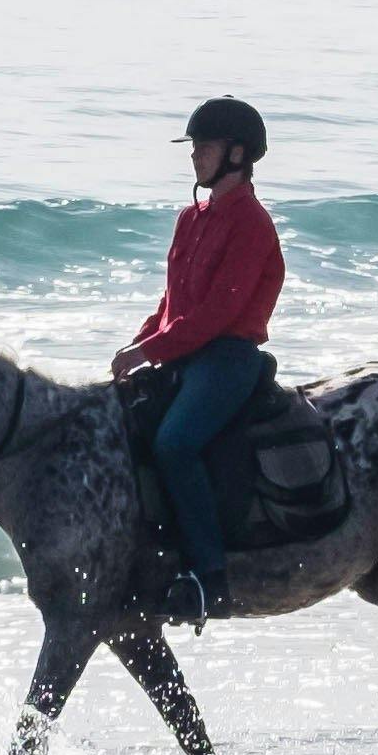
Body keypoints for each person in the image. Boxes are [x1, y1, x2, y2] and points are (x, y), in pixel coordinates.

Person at [110, 98, 283, 628]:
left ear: (236, 154)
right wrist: (137, 345)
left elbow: (216, 314)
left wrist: (150, 351)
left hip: (227, 357)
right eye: (194, 149)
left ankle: (210, 578)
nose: (195, 157)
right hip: (184, 352)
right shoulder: (191, 219)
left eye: (204, 148)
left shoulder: (252, 223)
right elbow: (172, 305)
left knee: (175, 443)